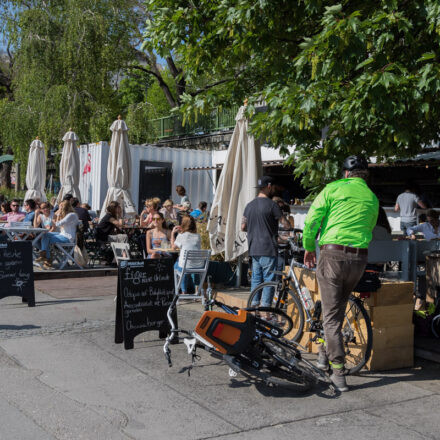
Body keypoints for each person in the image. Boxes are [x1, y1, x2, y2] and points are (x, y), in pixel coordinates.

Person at [302, 155, 378, 392]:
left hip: (333, 255)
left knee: (331, 316)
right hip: (359, 258)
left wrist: (307, 246)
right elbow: (370, 225)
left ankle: (338, 373)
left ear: (345, 173)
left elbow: (313, 219)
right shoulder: (372, 197)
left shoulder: (333, 189)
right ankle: (323, 357)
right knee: (335, 309)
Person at [241, 176, 285, 308]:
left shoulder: (249, 205)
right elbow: (285, 224)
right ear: (269, 186)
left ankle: (253, 307)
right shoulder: (272, 205)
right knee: (269, 280)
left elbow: (243, 227)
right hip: (268, 247)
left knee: (256, 279)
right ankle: (266, 311)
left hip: (254, 247)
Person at [37, 200, 79, 269]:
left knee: (47, 239)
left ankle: (47, 259)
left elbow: (57, 224)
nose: (60, 209)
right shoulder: (67, 215)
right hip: (62, 234)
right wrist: (57, 215)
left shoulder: (71, 215)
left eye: (61, 207)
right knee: (45, 235)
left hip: (68, 238)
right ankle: (45, 256)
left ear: (65, 207)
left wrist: (56, 216)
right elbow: (58, 222)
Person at [171, 215, 201, 294]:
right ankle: (197, 290)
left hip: (185, 266)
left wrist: (173, 233)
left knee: (176, 267)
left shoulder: (182, 236)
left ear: (183, 224)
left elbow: (173, 247)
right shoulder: (198, 236)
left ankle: (183, 291)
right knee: (184, 264)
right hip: (198, 266)